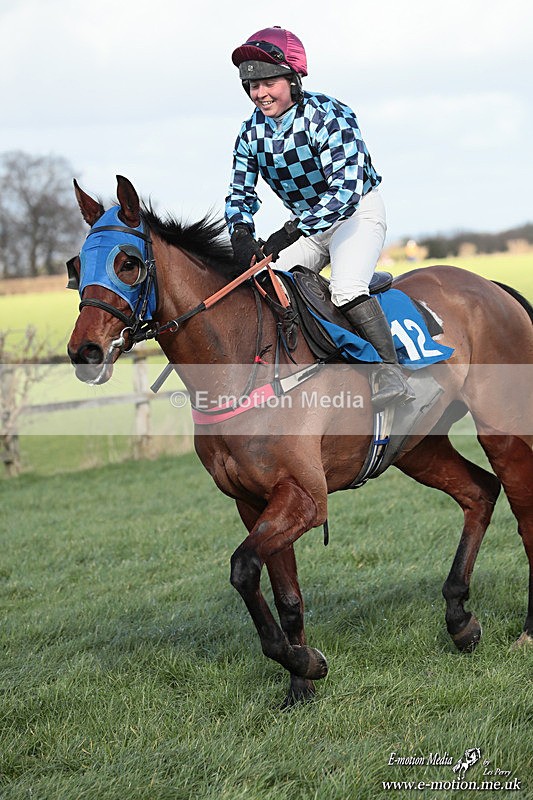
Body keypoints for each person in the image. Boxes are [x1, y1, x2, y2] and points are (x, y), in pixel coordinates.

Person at [225, 26, 414, 407]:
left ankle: (389, 372)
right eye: (251, 86)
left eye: (268, 83)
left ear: (293, 79)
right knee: (265, 287)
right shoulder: (250, 132)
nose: (259, 94)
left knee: (345, 290)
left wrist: (290, 230)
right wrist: (241, 231)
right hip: (308, 227)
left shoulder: (329, 114)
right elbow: (240, 191)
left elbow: (344, 192)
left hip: (356, 214)